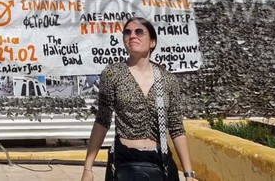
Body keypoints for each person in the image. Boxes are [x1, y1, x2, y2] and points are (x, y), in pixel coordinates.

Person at [81, 17, 196, 181]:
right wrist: (88, 168)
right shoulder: (113, 74)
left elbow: (177, 128)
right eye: (127, 32)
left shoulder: (167, 79)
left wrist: (189, 174)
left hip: (159, 159)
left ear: (152, 43)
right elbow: (102, 121)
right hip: (125, 160)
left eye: (139, 32)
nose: (132, 36)